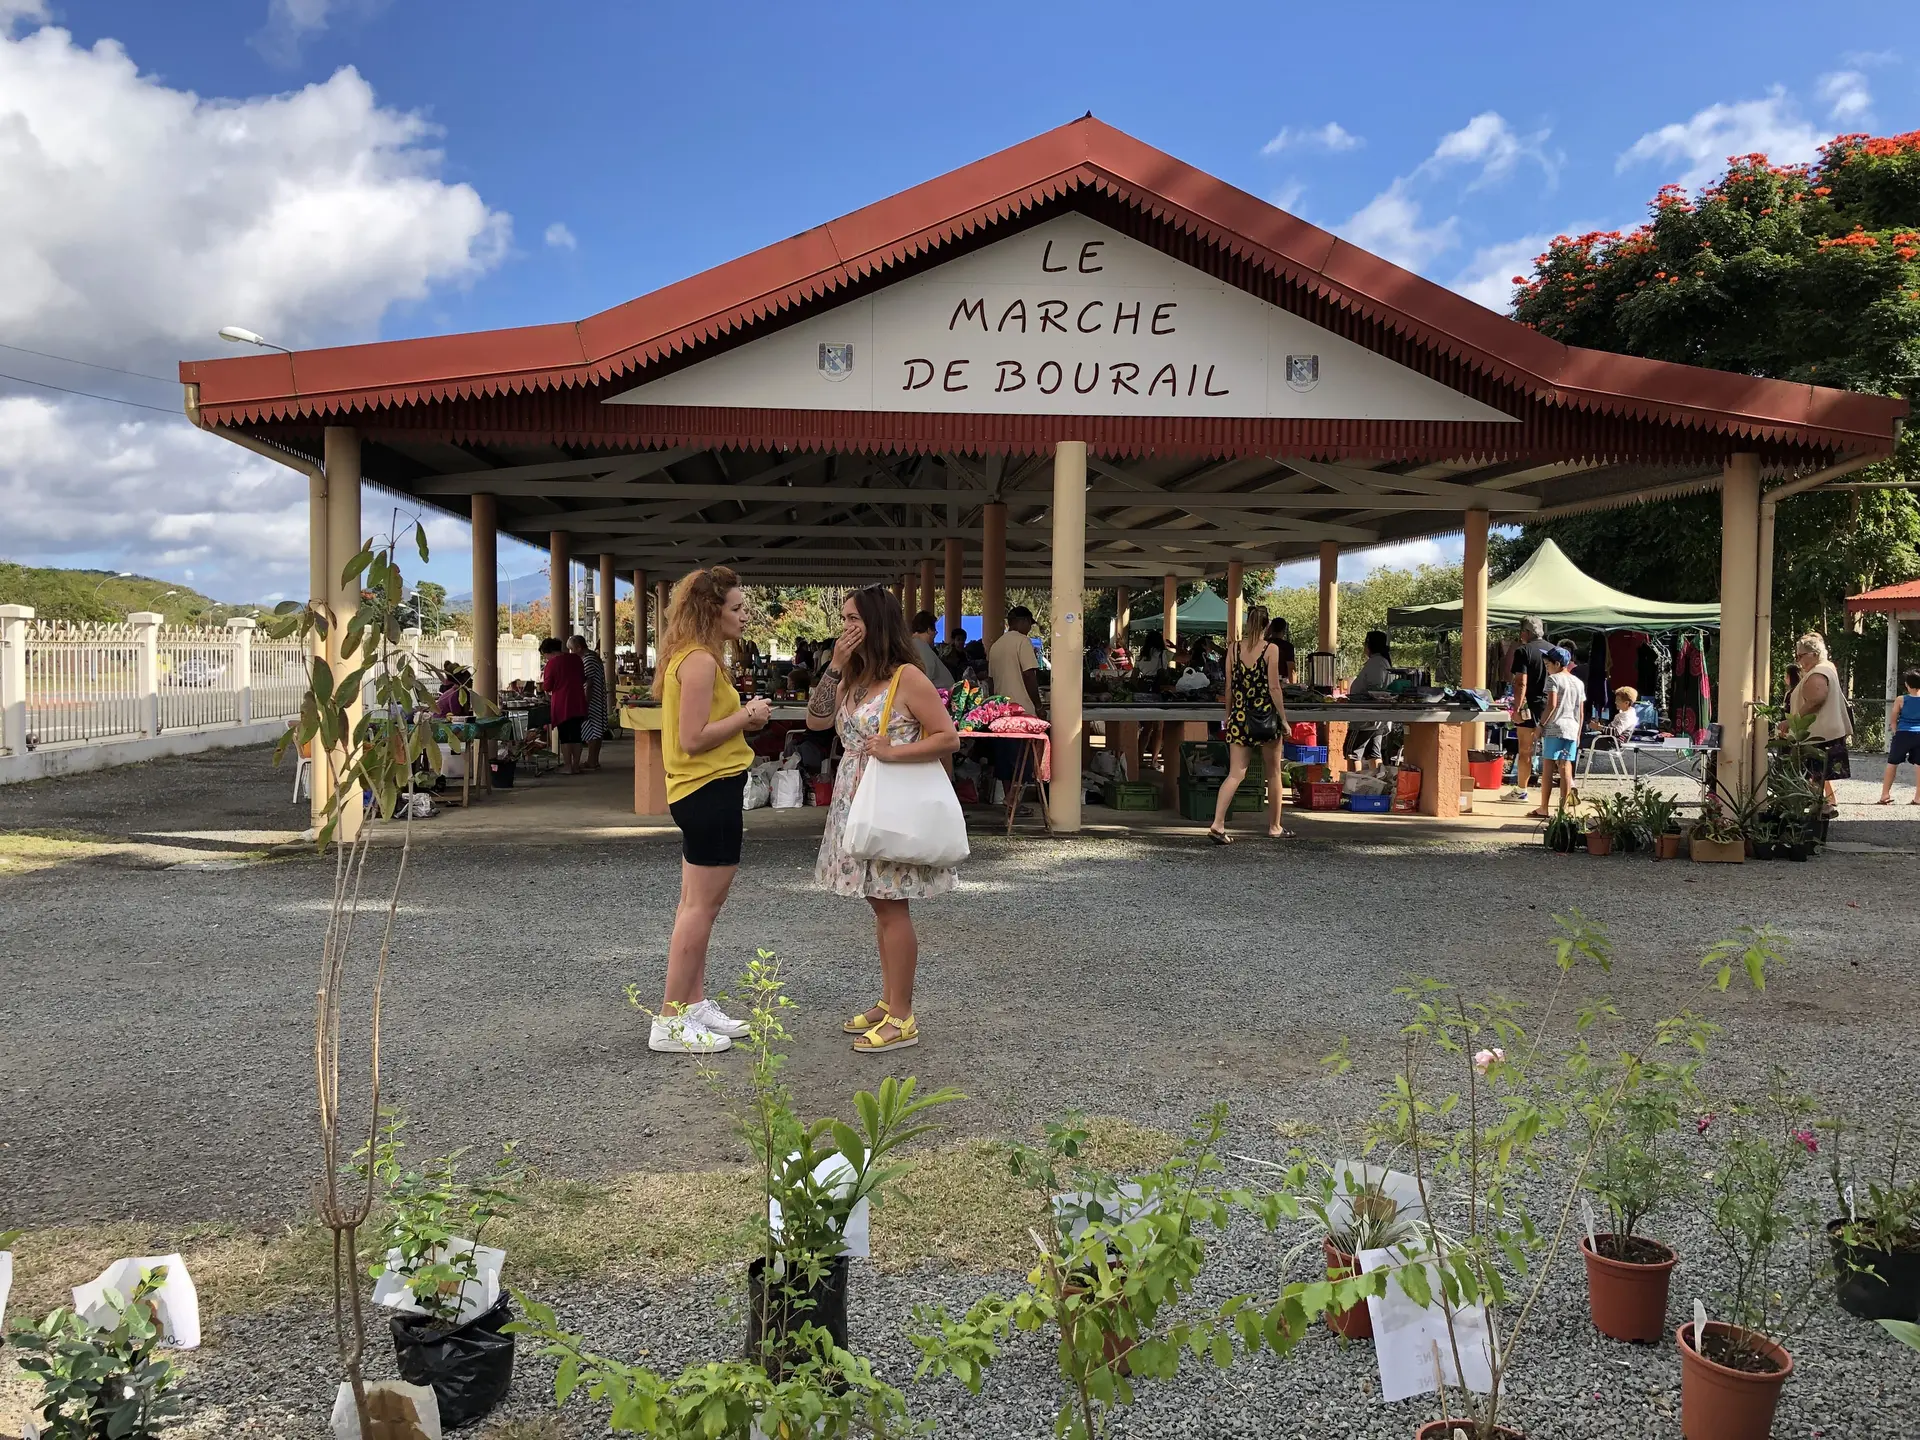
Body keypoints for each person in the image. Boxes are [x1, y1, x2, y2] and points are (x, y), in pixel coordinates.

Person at [806, 587, 961, 1053]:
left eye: (855, 618)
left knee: (892, 905)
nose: (847, 626)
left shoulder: (908, 676)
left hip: (888, 799)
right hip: (856, 798)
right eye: (844, 618)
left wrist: (895, 751)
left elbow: (948, 738)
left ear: (877, 622)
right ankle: (891, 1000)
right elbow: (816, 722)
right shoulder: (853, 675)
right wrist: (834, 665)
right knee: (879, 903)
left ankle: (903, 1016)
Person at [650, 566, 772, 1055]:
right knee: (700, 909)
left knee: (693, 905)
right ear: (711, 610)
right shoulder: (699, 661)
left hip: (701, 791)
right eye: (737, 608)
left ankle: (692, 1005)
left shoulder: (691, 657)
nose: (745, 616)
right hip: (708, 789)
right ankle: (670, 1020)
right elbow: (694, 738)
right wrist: (747, 716)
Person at [1210, 605, 1288, 842]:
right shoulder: (1271, 649)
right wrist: (1284, 718)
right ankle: (1275, 826)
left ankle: (1218, 823)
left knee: (1235, 774)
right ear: (1267, 626)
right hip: (1265, 717)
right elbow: (1274, 687)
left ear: (1247, 624)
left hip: (1240, 717)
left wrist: (1228, 714)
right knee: (1273, 773)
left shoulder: (1232, 649)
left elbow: (1228, 687)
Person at [1787, 632, 1852, 812]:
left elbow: (1816, 699)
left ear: (1814, 654)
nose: (1798, 660)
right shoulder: (1827, 666)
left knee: (1809, 774)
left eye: (1801, 655)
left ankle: (1822, 809)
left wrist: (1792, 722)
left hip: (1818, 733)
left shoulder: (1818, 672)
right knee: (1816, 776)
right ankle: (1821, 809)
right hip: (1826, 731)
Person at [1529, 646, 1586, 817]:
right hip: (1572, 727)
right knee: (1565, 766)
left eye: (1547, 664)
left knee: (1548, 767)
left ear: (1557, 663)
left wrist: (1540, 725)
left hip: (1555, 727)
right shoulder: (1578, 682)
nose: (1546, 667)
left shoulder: (1553, 679)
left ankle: (1544, 807)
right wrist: (1578, 734)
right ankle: (1564, 810)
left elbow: (1551, 705)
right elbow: (1581, 712)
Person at [1507, 616, 1554, 798]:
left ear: (1525, 632)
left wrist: (1516, 709)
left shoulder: (1523, 651)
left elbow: (1520, 682)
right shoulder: (1554, 650)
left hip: (1529, 707)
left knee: (1525, 749)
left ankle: (1522, 790)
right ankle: (1562, 793)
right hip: (1551, 705)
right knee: (1553, 750)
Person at [1344, 630, 1394, 772]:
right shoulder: (1382, 662)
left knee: (1353, 752)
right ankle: (1376, 784)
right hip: (1377, 718)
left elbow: (1375, 689)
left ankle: (1354, 785)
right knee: (1374, 753)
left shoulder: (1376, 663)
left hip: (1365, 717)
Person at [540, 637, 588, 773]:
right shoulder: (576, 659)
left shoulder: (552, 664)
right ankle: (576, 765)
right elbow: (582, 678)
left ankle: (568, 766)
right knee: (577, 735)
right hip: (578, 700)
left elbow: (547, 686)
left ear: (548, 652)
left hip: (563, 703)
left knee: (565, 736)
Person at [1880, 668, 1920, 806]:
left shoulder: (1901, 699)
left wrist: (1896, 730)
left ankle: (1885, 795)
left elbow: (1893, 718)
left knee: (1893, 763)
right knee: (1919, 765)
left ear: (1908, 685)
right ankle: (1918, 797)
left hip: (1903, 733)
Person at [570, 635, 608, 771]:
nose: (571, 652)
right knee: (596, 731)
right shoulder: (593, 658)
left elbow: (588, 683)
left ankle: (592, 761)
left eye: (572, 649)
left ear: (579, 647)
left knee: (592, 731)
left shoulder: (588, 660)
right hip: (597, 698)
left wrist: (585, 701)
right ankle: (593, 760)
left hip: (592, 700)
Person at [910, 611, 955, 688]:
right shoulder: (921, 647)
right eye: (934, 631)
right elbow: (927, 676)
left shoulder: (911, 644)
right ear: (928, 630)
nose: (935, 634)